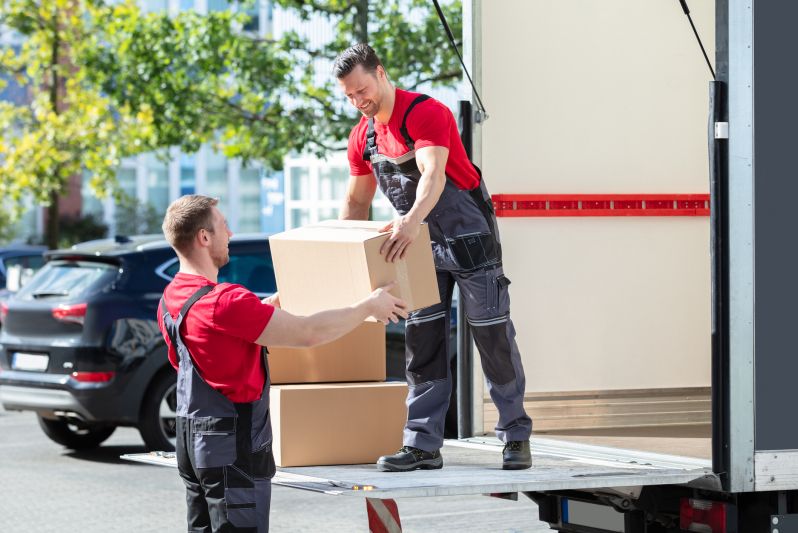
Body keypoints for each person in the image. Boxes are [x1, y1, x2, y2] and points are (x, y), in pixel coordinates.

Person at [334, 43, 533, 472]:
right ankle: (422, 444)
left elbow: (432, 174)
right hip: (416, 245)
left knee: (492, 337)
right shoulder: (362, 137)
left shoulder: (425, 113)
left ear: (381, 73)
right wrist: (345, 256)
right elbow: (355, 203)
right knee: (422, 342)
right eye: (349, 96)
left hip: (467, 235)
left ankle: (515, 434)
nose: (358, 101)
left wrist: (409, 220)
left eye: (362, 90)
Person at [157, 194, 407, 532]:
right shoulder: (226, 302)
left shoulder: (172, 298)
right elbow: (308, 334)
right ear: (204, 237)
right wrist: (368, 308)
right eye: (223, 226)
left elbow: (223, 333)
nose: (229, 233)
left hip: (191, 440)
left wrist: (279, 299)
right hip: (232, 448)